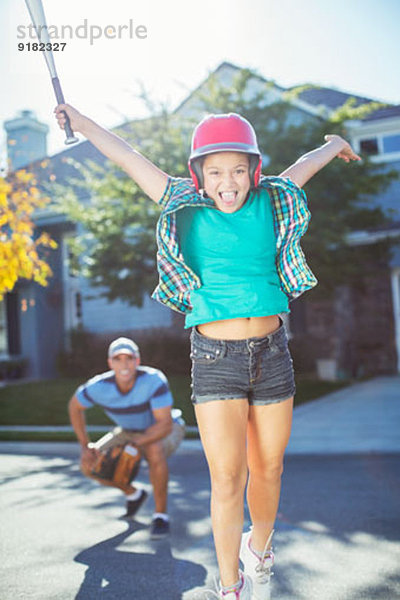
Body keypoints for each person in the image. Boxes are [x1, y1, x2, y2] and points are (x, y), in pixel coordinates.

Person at [57, 105, 360, 599]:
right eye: (216, 170)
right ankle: (229, 586)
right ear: (199, 173)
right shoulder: (184, 202)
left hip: (272, 354)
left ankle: (258, 551)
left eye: (238, 169)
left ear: (252, 170)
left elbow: (308, 162)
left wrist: (334, 144)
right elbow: (128, 156)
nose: (228, 181)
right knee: (227, 477)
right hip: (215, 359)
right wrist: (82, 123)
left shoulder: (272, 198)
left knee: (269, 468)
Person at [69, 336, 181, 540]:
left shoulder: (153, 380)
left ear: (137, 361)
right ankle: (134, 494)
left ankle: (160, 516)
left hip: (166, 428)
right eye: (117, 359)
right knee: (89, 464)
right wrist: (86, 446)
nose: (124, 364)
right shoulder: (99, 386)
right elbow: (74, 407)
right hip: (128, 430)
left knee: (154, 449)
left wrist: (135, 444)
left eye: (129, 358)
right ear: (110, 363)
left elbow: (164, 424)